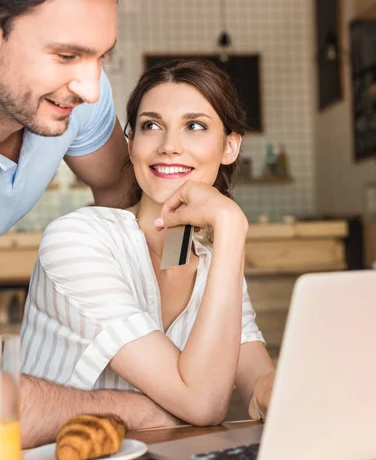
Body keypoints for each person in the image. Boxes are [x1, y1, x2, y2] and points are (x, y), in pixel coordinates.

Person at [0, 0, 181, 447]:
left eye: (101, 56)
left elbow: (125, 194)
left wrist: (188, 257)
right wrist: (129, 409)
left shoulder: (72, 99)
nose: (91, 87)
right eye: (67, 56)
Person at [21, 59, 276, 427]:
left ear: (229, 147)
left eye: (194, 126)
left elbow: (257, 383)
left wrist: (295, 386)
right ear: (131, 144)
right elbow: (203, 405)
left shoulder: (211, 259)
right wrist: (232, 224)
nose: (169, 146)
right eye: (151, 126)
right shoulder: (78, 239)